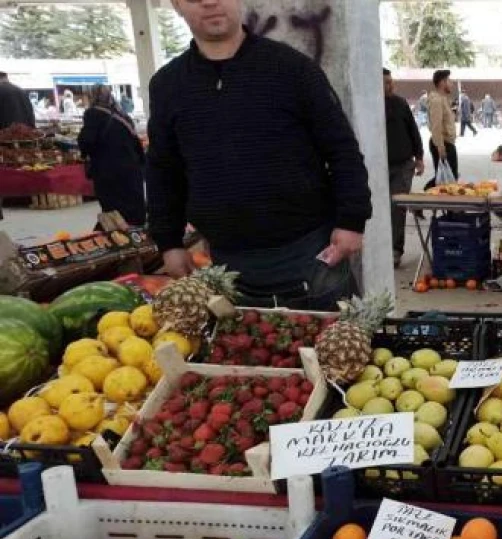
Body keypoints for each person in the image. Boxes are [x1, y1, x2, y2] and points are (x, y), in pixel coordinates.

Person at [147, 0, 370, 310]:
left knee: (339, 356)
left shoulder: (293, 69)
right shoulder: (167, 85)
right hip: (225, 266)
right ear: (175, 5)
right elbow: (163, 170)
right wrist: (168, 242)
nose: (209, 2)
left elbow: (342, 149)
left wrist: (351, 220)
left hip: (310, 257)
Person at [78, 84, 146, 226]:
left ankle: (120, 240)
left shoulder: (93, 114)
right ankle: (139, 236)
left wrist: (84, 151)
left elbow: (87, 140)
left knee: (113, 209)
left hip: (108, 171)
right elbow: (136, 143)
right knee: (134, 206)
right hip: (131, 170)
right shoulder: (122, 114)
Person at [384, 68, 424, 268]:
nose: (390, 86)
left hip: (402, 165)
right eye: (385, 83)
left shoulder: (400, 103)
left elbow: (413, 129)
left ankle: (395, 250)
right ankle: (380, 248)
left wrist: (419, 156)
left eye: (391, 82)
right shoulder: (369, 106)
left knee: (397, 208)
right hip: (377, 167)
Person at [427, 69, 459, 181]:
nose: (452, 83)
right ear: (442, 82)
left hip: (447, 143)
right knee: (448, 180)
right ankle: (427, 193)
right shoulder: (436, 100)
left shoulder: (443, 99)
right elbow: (436, 126)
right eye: (449, 80)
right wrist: (440, 148)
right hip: (443, 144)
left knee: (446, 178)